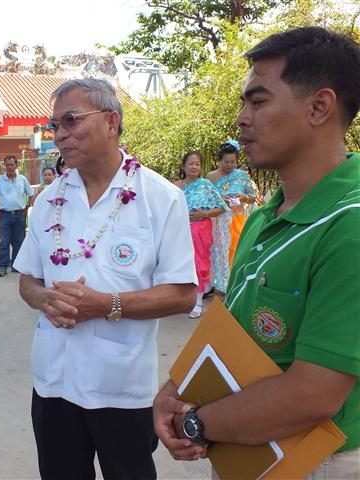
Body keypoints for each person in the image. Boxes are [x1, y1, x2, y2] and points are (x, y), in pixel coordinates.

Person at [153, 26, 360, 479]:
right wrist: (173, 389)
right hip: (244, 451)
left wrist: (195, 422)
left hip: (318, 462)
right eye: (245, 102)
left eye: (259, 101)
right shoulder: (270, 213)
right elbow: (228, 321)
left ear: (319, 106)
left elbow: (312, 395)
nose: (242, 118)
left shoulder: (351, 226)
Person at [13, 78, 197, 479]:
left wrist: (108, 304)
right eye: (55, 124)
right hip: (53, 383)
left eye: (72, 120)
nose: (60, 134)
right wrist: (44, 298)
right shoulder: (47, 201)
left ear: (112, 122)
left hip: (121, 387)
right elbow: (27, 280)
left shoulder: (160, 198)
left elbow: (183, 294)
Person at [174, 151, 227, 318]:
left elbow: (221, 208)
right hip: (179, 230)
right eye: (190, 163)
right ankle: (179, 300)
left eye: (197, 164)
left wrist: (204, 214)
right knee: (179, 264)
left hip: (200, 229)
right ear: (183, 166)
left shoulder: (205, 185)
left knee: (199, 264)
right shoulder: (174, 187)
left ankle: (197, 302)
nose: (194, 167)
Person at [207, 141, 256, 293]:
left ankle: (233, 283)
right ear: (219, 161)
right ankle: (217, 283)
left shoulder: (242, 176)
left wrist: (243, 197)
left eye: (233, 162)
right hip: (218, 219)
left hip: (236, 219)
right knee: (217, 251)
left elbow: (252, 197)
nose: (230, 165)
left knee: (235, 250)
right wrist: (221, 199)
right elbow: (207, 198)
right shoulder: (211, 176)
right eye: (226, 162)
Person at [0, 154, 34, 277]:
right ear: (4, 166)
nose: (9, 167)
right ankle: (2, 266)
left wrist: (27, 207)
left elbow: (31, 194)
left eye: (11, 164)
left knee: (19, 241)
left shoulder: (22, 179)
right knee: (4, 242)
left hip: (20, 215)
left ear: (16, 165)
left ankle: (16, 265)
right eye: (7, 165)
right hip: (4, 216)